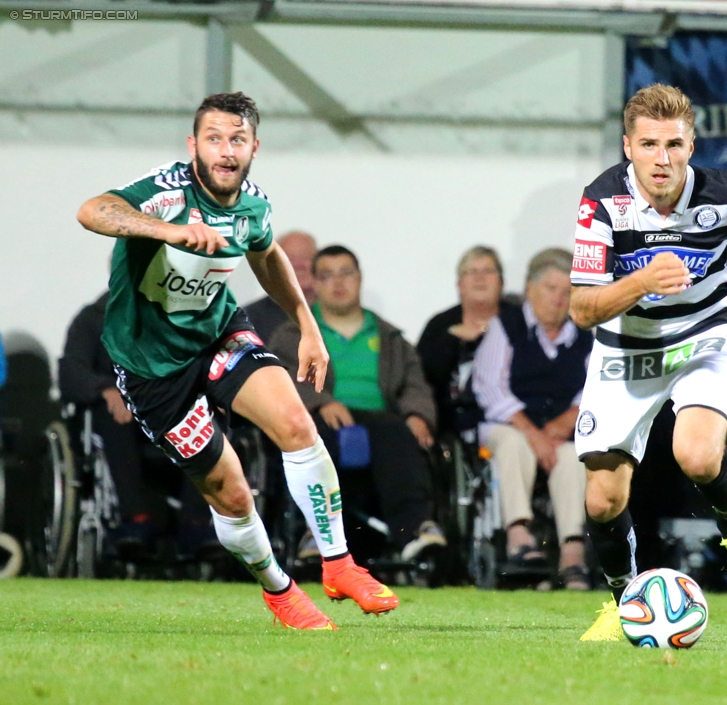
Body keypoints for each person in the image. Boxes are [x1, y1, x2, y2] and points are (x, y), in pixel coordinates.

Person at [76, 91, 397, 631]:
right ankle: (280, 592)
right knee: (232, 493)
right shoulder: (167, 192)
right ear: (193, 145)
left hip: (218, 334)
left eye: (237, 140)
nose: (226, 151)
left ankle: (339, 564)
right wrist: (167, 230)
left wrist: (309, 327)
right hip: (153, 368)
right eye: (215, 139)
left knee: (297, 422)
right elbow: (93, 210)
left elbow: (266, 255)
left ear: (254, 147)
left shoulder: (252, 205)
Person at [569, 84, 727, 641]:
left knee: (698, 457)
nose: (663, 159)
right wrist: (641, 281)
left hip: (705, 335)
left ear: (691, 143)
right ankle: (622, 601)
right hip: (626, 347)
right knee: (604, 500)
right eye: (649, 144)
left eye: (674, 144)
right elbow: (582, 308)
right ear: (628, 146)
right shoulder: (601, 202)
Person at [270, 245, 447, 563]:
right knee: (315, 432)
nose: (338, 282)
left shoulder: (391, 337)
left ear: (360, 278)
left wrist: (418, 414)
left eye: (346, 273)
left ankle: (413, 532)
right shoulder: (292, 334)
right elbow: (278, 377)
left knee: (398, 431)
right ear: (314, 283)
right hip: (319, 420)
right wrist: (321, 401)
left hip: (382, 422)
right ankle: (316, 531)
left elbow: (414, 383)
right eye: (327, 275)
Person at [58, 291, 217, 557]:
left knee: (208, 414)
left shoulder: (185, 318)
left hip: (172, 413)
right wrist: (106, 388)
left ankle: (196, 523)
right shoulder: (93, 318)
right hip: (120, 421)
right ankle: (136, 519)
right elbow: (72, 373)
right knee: (113, 412)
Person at [472, 248, 592, 590]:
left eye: (567, 291)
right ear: (530, 289)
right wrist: (532, 431)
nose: (559, 298)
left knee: (573, 457)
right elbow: (490, 388)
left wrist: (562, 425)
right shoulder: (505, 327)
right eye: (551, 288)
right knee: (514, 444)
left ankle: (572, 550)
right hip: (507, 425)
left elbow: (594, 388)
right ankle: (518, 533)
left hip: (559, 431)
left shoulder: (582, 335)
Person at [417, 245, 518, 438]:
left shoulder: (517, 322)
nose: (480, 278)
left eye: (488, 271)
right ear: (459, 284)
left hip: (509, 421)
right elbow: (423, 379)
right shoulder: (440, 326)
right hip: (450, 425)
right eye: (471, 272)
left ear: (501, 282)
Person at [245, 230, 318, 342]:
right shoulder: (250, 319)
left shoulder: (336, 311)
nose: (299, 265)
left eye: (306, 257)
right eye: (289, 259)